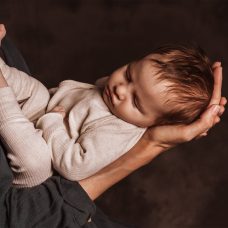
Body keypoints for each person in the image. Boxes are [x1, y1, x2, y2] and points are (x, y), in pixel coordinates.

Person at [0, 27, 226, 227]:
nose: (120, 89)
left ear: (157, 122)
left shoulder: (118, 133)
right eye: (129, 74)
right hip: (43, 113)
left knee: (35, 157)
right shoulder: (114, 96)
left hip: (41, 167)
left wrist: (51, 121)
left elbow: (73, 167)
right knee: (36, 90)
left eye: (136, 101)